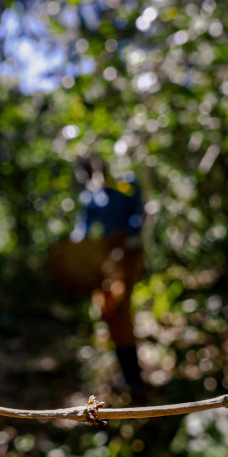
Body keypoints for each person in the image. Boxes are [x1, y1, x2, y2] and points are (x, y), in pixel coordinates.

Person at [71, 155, 146, 385]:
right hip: (106, 264)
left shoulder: (126, 185)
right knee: (111, 315)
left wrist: (123, 235)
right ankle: (127, 374)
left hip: (128, 257)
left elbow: (139, 216)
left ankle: (134, 377)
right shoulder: (91, 197)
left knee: (122, 312)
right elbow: (82, 231)